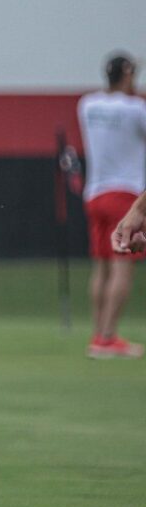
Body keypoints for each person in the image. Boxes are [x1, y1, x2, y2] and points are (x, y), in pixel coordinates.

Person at [77, 53, 145, 359]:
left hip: (94, 192)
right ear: (127, 74)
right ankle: (109, 336)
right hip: (126, 194)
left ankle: (98, 335)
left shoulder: (87, 105)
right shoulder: (136, 110)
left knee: (101, 266)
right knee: (122, 267)